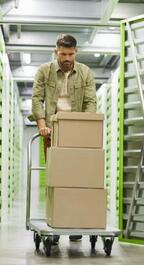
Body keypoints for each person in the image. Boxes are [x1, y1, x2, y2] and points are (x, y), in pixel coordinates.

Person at [29, 34, 97, 242]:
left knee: (78, 179)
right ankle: (56, 221)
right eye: (63, 54)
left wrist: (85, 129)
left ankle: (74, 222)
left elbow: (90, 102)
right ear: (55, 51)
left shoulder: (85, 72)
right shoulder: (45, 71)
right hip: (52, 131)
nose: (67, 58)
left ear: (76, 52)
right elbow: (37, 98)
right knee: (55, 179)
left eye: (70, 54)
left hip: (77, 131)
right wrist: (41, 124)